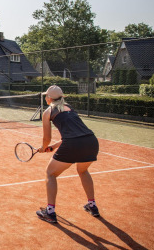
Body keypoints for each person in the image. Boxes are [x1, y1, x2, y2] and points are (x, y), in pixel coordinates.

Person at [36, 85, 100, 223]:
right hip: (91, 141)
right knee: (83, 171)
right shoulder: (69, 108)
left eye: (46, 96)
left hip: (73, 144)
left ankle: (50, 212)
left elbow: (46, 138)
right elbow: (75, 133)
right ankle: (92, 205)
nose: (46, 97)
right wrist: (53, 147)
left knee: (50, 173)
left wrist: (44, 147)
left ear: (49, 98)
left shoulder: (48, 112)